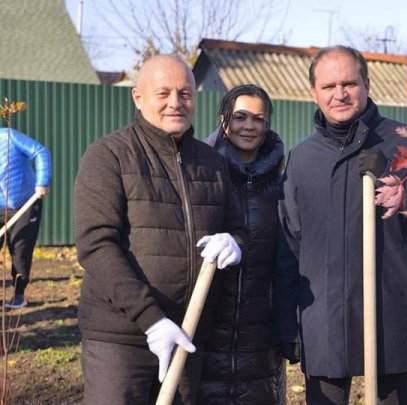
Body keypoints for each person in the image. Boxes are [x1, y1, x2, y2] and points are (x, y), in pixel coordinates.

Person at [274, 45, 407, 404]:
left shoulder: (406, 141)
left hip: (389, 315)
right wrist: (289, 323)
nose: (339, 94)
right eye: (328, 86)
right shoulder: (303, 158)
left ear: (367, 83)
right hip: (324, 320)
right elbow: (288, 246)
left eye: (349, 83)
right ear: (313, 92)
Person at [74, 54, 246, 404]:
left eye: (184, 94)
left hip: (187, 332)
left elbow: (236, 225)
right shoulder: (109, 156)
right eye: (163, 93)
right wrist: (151, 320)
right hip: (120, 339)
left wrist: (236, 242)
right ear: (138, 97)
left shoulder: (211, 162)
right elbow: (96, 246)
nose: (175, 103)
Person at [199, 84, 287, 403]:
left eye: (258, 119)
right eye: (240, 117)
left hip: (260, 331)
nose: (249, 126)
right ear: (224, 120)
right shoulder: (202, 171)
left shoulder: (281, 181)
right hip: (208, 325)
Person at [0, 127, 51, 309]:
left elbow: (40, 151)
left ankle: (18, 294)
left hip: (25, 202)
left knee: (20, 249)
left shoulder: (9, 136)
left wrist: (42, 182)